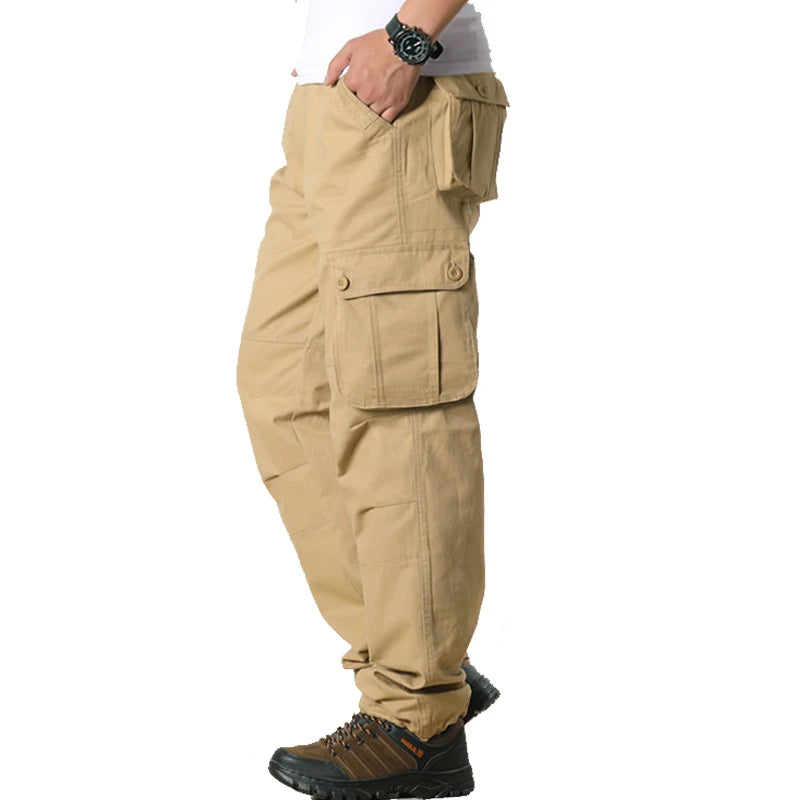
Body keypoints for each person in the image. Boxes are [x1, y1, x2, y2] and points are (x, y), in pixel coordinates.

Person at [236, 1, 510, 796]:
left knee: (399, 411)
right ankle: (417, 648)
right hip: (332, 99)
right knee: (283, 390)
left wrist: (407, 38)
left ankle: (417, 714)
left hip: (402, 92)